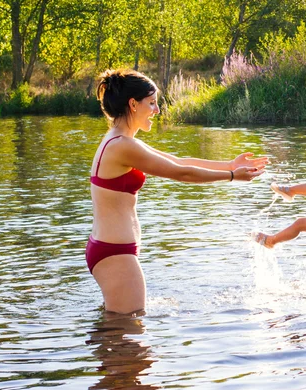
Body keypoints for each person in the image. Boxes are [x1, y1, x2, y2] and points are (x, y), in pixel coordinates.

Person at [86, 69, 268, 314]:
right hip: (115, 253)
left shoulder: (122, 141)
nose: (157, 110)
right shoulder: (122, 146)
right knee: (129, 336)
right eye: (152, 103)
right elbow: (182, 174)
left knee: (120, 332)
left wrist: (229, 165)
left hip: (112, 249)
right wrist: (233, 177)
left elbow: (179, 161)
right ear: (133, 104)